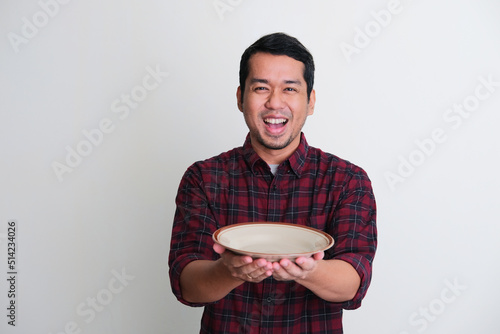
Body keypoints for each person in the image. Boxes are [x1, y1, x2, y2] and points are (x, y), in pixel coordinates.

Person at [168, 32, 377, 333]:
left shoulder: (347, 180)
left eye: (290, 88)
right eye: (261, 88)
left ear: (311, 100)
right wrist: (230, 271)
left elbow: (353, 283)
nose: (275, 102)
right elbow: (187, 284)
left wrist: (308, 271)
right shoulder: (203, 177)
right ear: (240, 98)